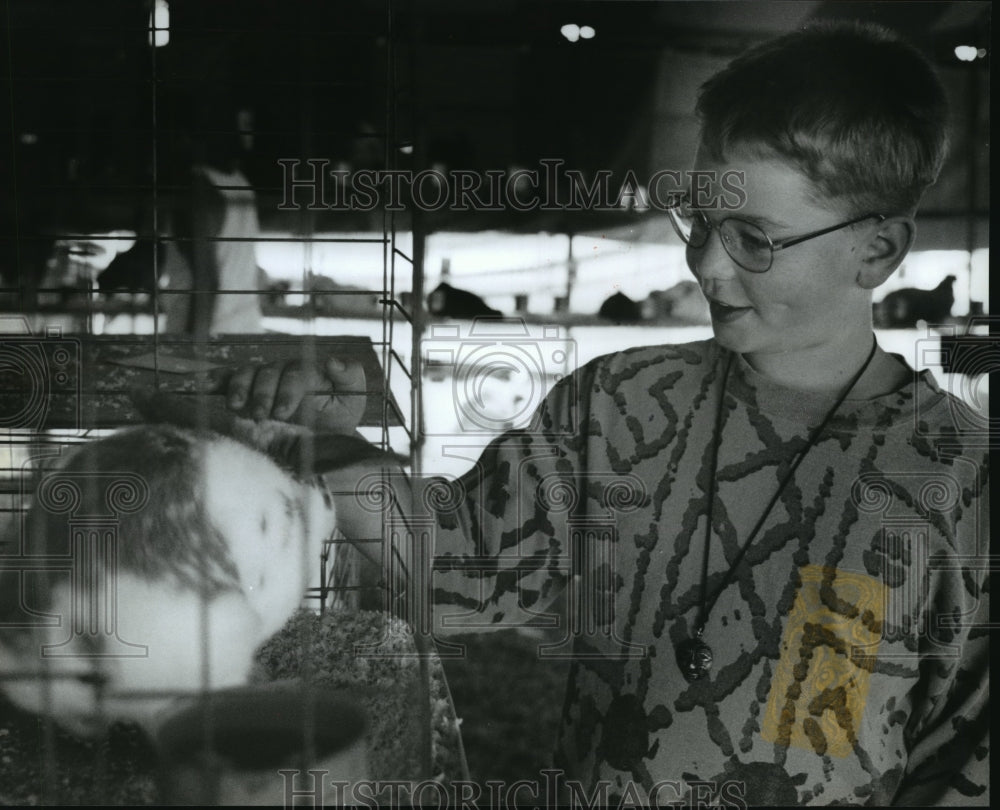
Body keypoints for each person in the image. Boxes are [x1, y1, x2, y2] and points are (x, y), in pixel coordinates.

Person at [223, 22, 988, 806]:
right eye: (700, 218)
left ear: (880, 251)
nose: (707, 264)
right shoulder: (618, 403)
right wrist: (330, 446)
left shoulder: (963, 483)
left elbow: (964, 766)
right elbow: (461, 566)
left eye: (756, 239)